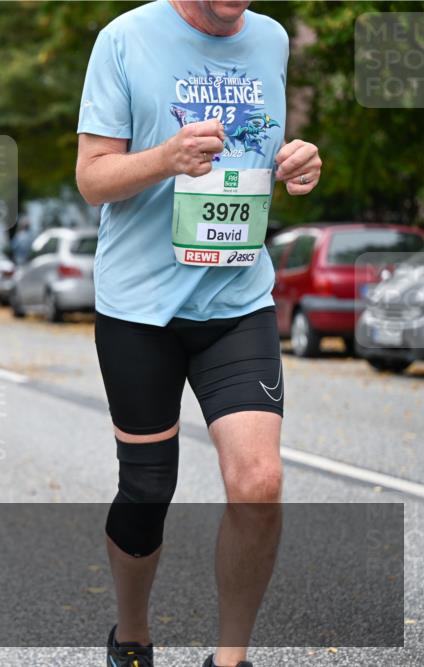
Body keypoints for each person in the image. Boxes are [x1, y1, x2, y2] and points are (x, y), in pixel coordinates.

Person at [74, 2, 321, 667]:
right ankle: (132, 636)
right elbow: (92, 177)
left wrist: (296, 163)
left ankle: (230, 659)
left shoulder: (270, 39)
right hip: (140, 308)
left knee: (259, 480)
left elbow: (260, 151)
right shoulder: (124, 40)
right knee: (148, 488)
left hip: (236, 299)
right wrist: (165, 158)